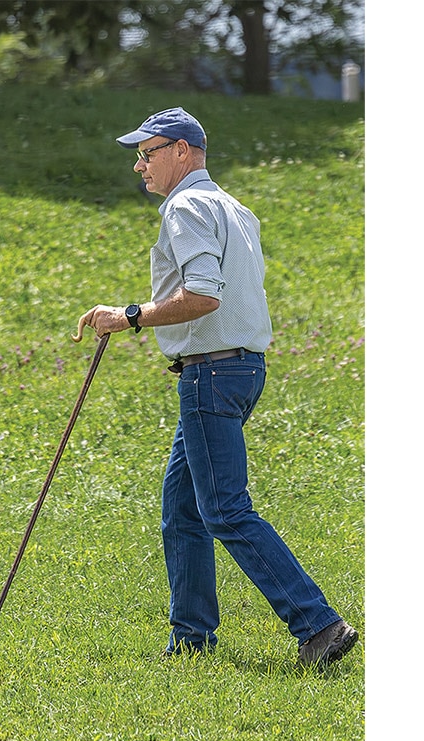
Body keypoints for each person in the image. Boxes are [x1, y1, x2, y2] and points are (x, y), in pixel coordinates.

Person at [73, 107, 358, 667]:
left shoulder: (185, 206)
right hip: (242, 369)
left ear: (183, 150)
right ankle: (191, 640)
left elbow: (204, 294)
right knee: (183, 507)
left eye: (148, 152)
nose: (139, 166)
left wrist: (128, 316)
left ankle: (319, 626)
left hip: (210, 375)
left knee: (225, 510)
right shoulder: (235, 208)